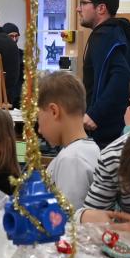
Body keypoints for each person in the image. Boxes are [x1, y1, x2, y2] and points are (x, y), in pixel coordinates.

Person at [78, 0, 130, 146]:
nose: (78, 9)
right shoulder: (125, 33)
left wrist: (96, 114)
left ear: (101, 8)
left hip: (106, 134)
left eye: (83, 3)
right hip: (125, 130)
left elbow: (123, 77)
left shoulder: (103, 35)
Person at [36, 70, 101, 206]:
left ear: (54, 111)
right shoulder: (89, 150)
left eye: (38, 118)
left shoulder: (71, 160)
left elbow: (69, 216)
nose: (39, 130)